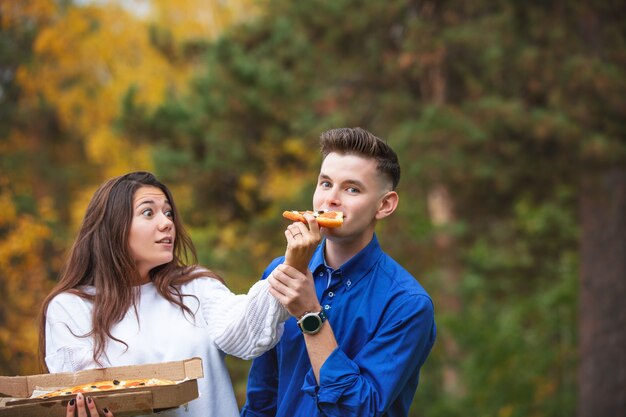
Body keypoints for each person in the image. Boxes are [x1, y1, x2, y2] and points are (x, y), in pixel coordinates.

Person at [38, 171, 321, 417]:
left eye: (168, 212)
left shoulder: (195, 288)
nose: (166, 223)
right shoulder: (71, 307)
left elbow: (246, 333)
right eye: (149, 212)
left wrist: (293, 264)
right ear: (113, 226)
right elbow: (83, 392)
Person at [240, 127, 437, 417]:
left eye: (352, 189)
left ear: (384, 205)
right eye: (325, 183)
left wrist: (309, 314)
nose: (330, 199)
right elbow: (262, 395)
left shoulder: (407, 304)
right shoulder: (281, 271)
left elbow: (359, 409)